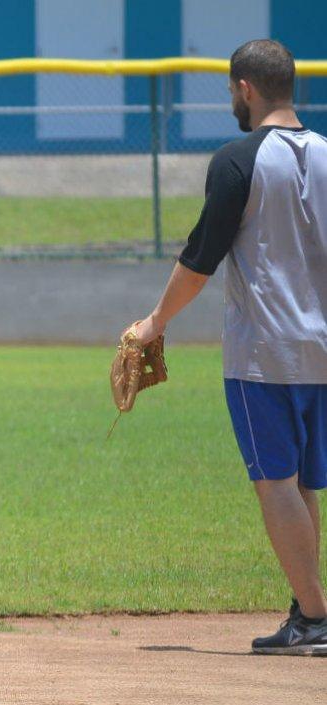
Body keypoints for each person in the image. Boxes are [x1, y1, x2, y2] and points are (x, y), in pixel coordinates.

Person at [126, 39, 327, 656]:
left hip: (264, 351)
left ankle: (317, 619)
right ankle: (306, 610)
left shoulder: (237, 160)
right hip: (322, 348)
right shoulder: (325, 154)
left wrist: (154, 322)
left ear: (245, 87)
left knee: (274, 482)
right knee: (302, 487)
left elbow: (200, 259)